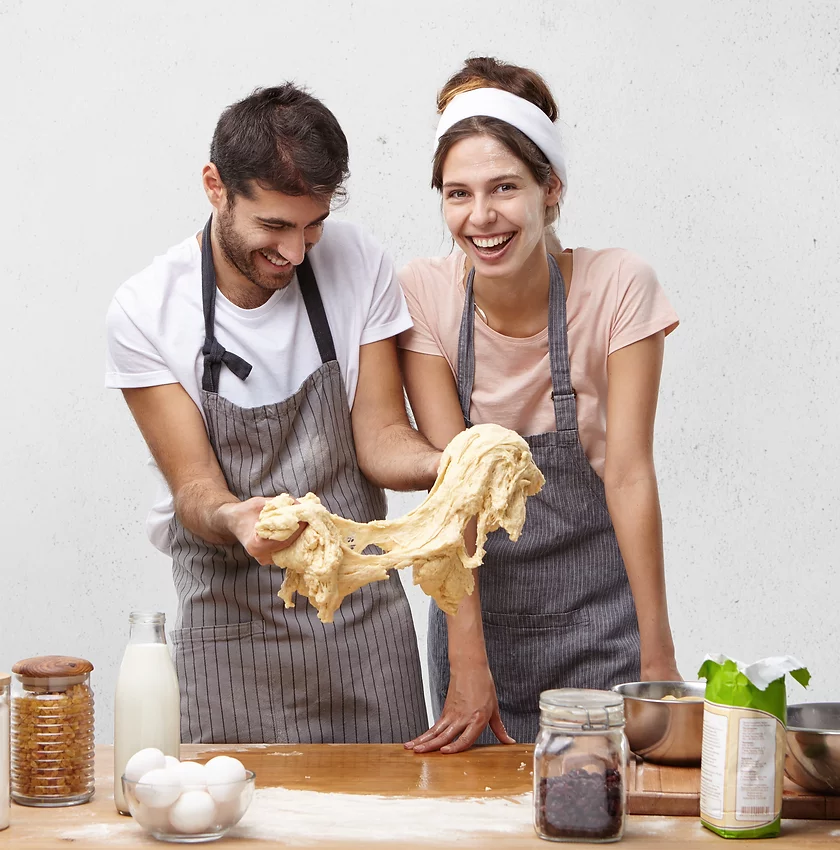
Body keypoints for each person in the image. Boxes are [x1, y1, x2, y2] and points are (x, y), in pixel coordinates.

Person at [106, 83, 441, 744]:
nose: (295, 252)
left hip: (362, 627)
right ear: (215, 187)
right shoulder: (145, 312)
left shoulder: (359, 264)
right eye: (275, 227)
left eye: (312, 225)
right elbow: (196, 490)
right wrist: (237, 517)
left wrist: (445, 461)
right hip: (230, 631)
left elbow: (377, 437)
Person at [398, 57, 682, 753]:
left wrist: (658, 663)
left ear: (550, 190)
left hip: (602, 631)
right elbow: (457, 491)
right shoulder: (424, 295)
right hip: (478, 628)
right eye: (457, 194)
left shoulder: (618, 286)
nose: (481, 217)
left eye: (505, 188)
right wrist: (468, 667)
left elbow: (628, 473)